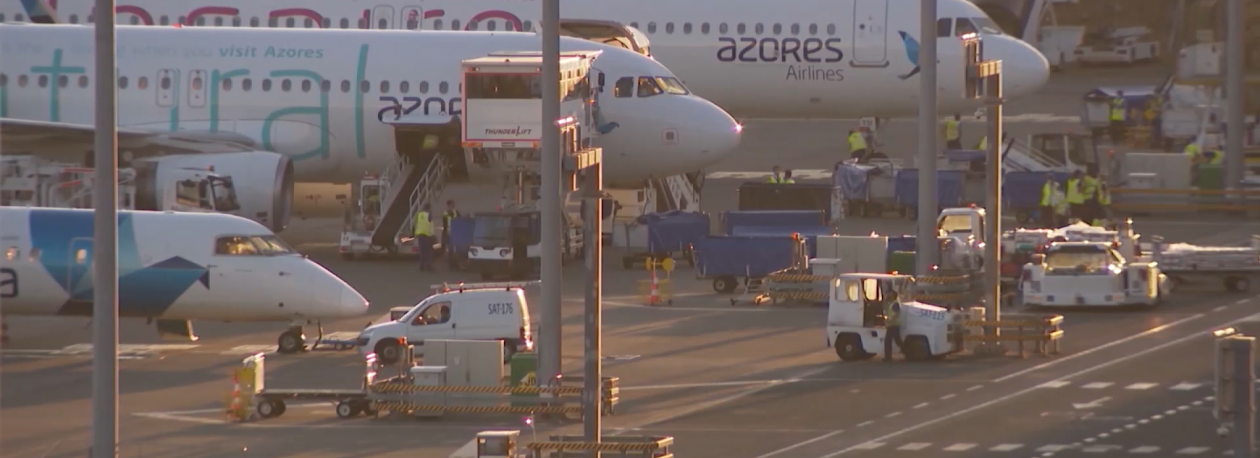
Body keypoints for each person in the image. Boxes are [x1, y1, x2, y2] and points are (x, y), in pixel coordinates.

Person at [414, 204, 435, 271]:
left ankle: (422, 266)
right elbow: (431, 225)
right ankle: (429, 266)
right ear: (428, 209)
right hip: (427, 235)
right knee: (429, 251)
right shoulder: (429, 215)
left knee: (422, 251)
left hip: (420, 234)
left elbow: (416, 223)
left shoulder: (419, 214)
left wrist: (415, 233)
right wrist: (433, 235)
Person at [883, 298, 903, 362]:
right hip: (893, 325)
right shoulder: (893, 303)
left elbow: (896, 313)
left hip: (893, 325)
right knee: (897, 340)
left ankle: (888, 357)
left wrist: (890, 319)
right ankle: (908, 351)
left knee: (888, 341)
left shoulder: (895, 303)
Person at [441, 199, 460, 264]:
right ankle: (451, 261)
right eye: (452, 204)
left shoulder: (456, 212)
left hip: (455, 232)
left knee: (455, 247)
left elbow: (460, 219)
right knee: (450, 247)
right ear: (448, 205)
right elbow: (445, 224)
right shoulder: (445, 213)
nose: (453, 206)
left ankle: (454, 260)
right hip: (448, 233)